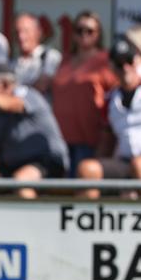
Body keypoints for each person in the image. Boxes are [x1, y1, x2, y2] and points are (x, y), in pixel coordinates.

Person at [77, 39, 141, 201]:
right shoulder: (110, 99)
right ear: (112, 67)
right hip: (125, 160)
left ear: (137, 62)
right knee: (87, 168)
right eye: (119, 63)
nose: (125, 68)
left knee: (140, 164)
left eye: (129, 61)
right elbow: (106, 140)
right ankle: (88, 221)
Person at [0, 64, 68, 199]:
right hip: (10, 167)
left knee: (21, 182)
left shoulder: (30, 95)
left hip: (47, 162)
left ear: (5, 84)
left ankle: (33, 220)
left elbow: (16, 105)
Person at [51, 10, 118, 176]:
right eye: (79, 30)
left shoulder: (105, 61)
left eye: (90, 31)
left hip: (90, 139)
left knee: (82, 192)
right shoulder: (65, 60)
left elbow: (115, 95)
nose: (84, 35)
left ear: (99, 34)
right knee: (61, 193)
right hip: (61, 139)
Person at [11, 12, 62, 95]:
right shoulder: (12, 63)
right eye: (17, 32)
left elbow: (43, 85)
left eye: (26, 31)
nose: (21, 37)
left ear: (38, 32)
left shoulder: (51, 57)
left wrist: (15, 91)